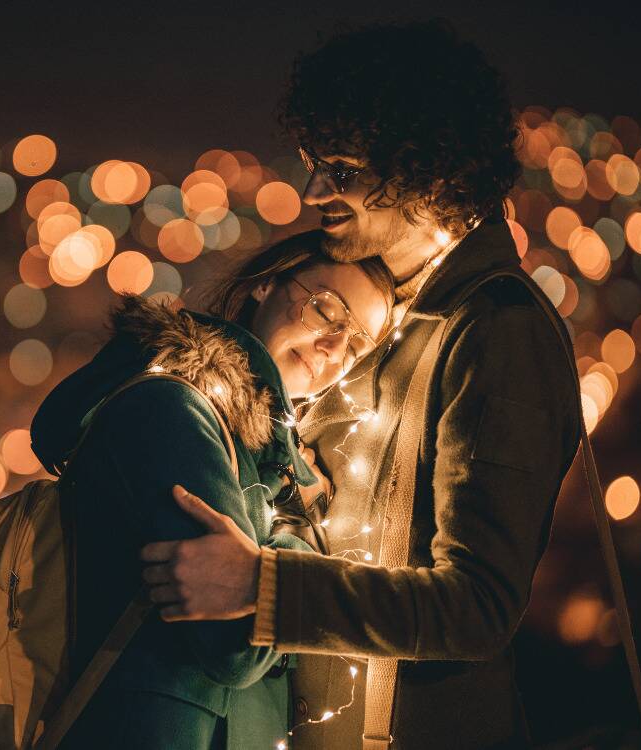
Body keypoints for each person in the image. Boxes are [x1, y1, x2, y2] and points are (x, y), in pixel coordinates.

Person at [140, 20, 583, 750]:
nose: (313, 192)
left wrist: (265, 589)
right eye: (314, 164)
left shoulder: (496, 330)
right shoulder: (394, 313)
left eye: (341, 170)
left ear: (428, 172)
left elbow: (478, 606)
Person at [29, 235, 394, 749]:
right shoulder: (174, 410)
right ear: (267, 284)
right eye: (326, 309)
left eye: (356, 344)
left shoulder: (259, 448)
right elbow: (236, 644)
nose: (333, 349)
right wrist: (297, 525)